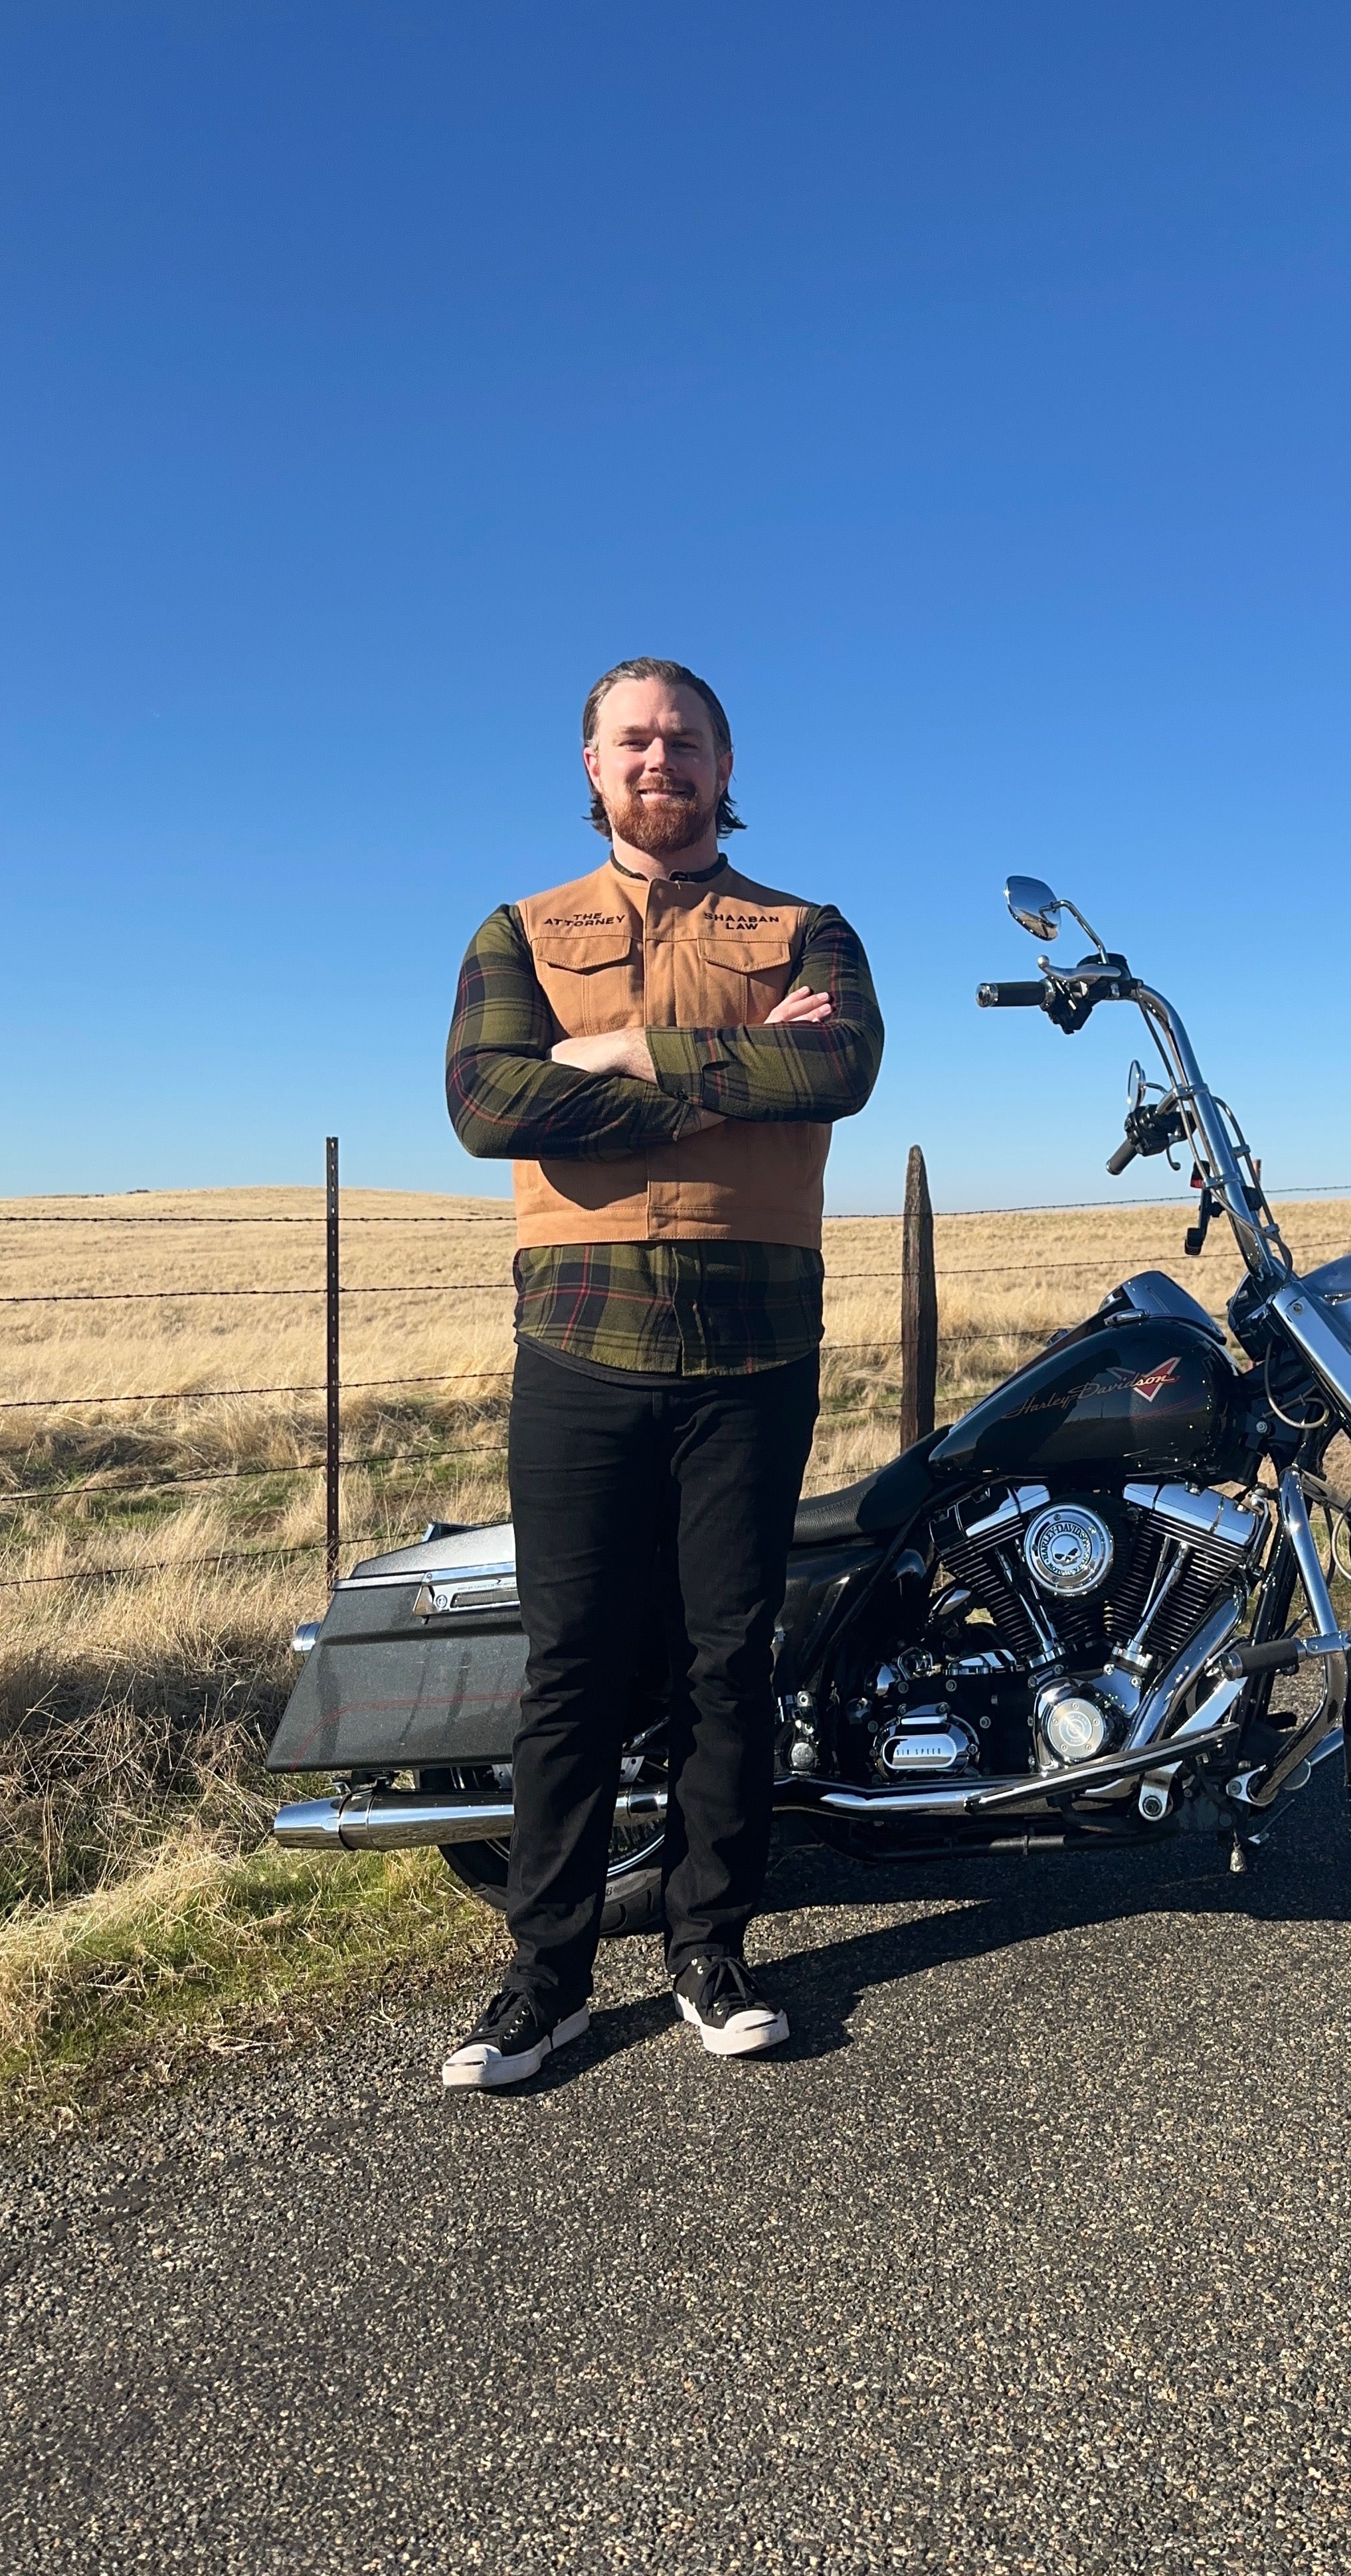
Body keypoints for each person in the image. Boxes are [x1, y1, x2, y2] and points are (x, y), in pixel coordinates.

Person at [438, 656, 882, 2087]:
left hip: (757, 1345)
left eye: (684, 740)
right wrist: (727, 1074)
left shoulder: (806, 927)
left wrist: (620, 1053)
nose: (659, 760)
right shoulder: (520, 929)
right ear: (592, 765)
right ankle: (546, 1978)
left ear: (723, 765)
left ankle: (710, 1946)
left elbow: (838, 1070)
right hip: (580, 1338)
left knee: (725, 1661)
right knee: (573, 1663)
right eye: (632, 739)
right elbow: (487, 1102)